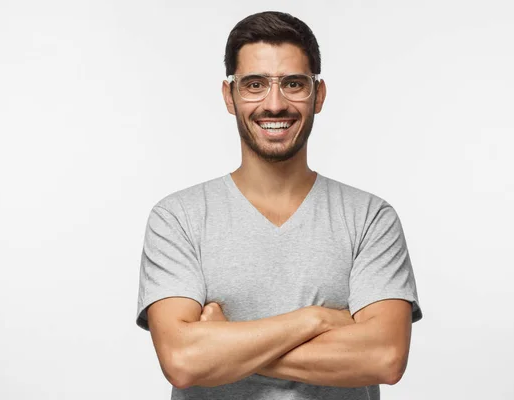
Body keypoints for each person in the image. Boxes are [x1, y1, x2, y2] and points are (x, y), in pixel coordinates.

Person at [136, 10, 423, 400]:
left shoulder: (370, 218)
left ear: (318, 95)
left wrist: (222, 343)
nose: (274, 104)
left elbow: (385, 357)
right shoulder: (178, 218)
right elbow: (184, 361)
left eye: (293, 84)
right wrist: (317, 319)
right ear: (229, 95)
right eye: (254, 84)